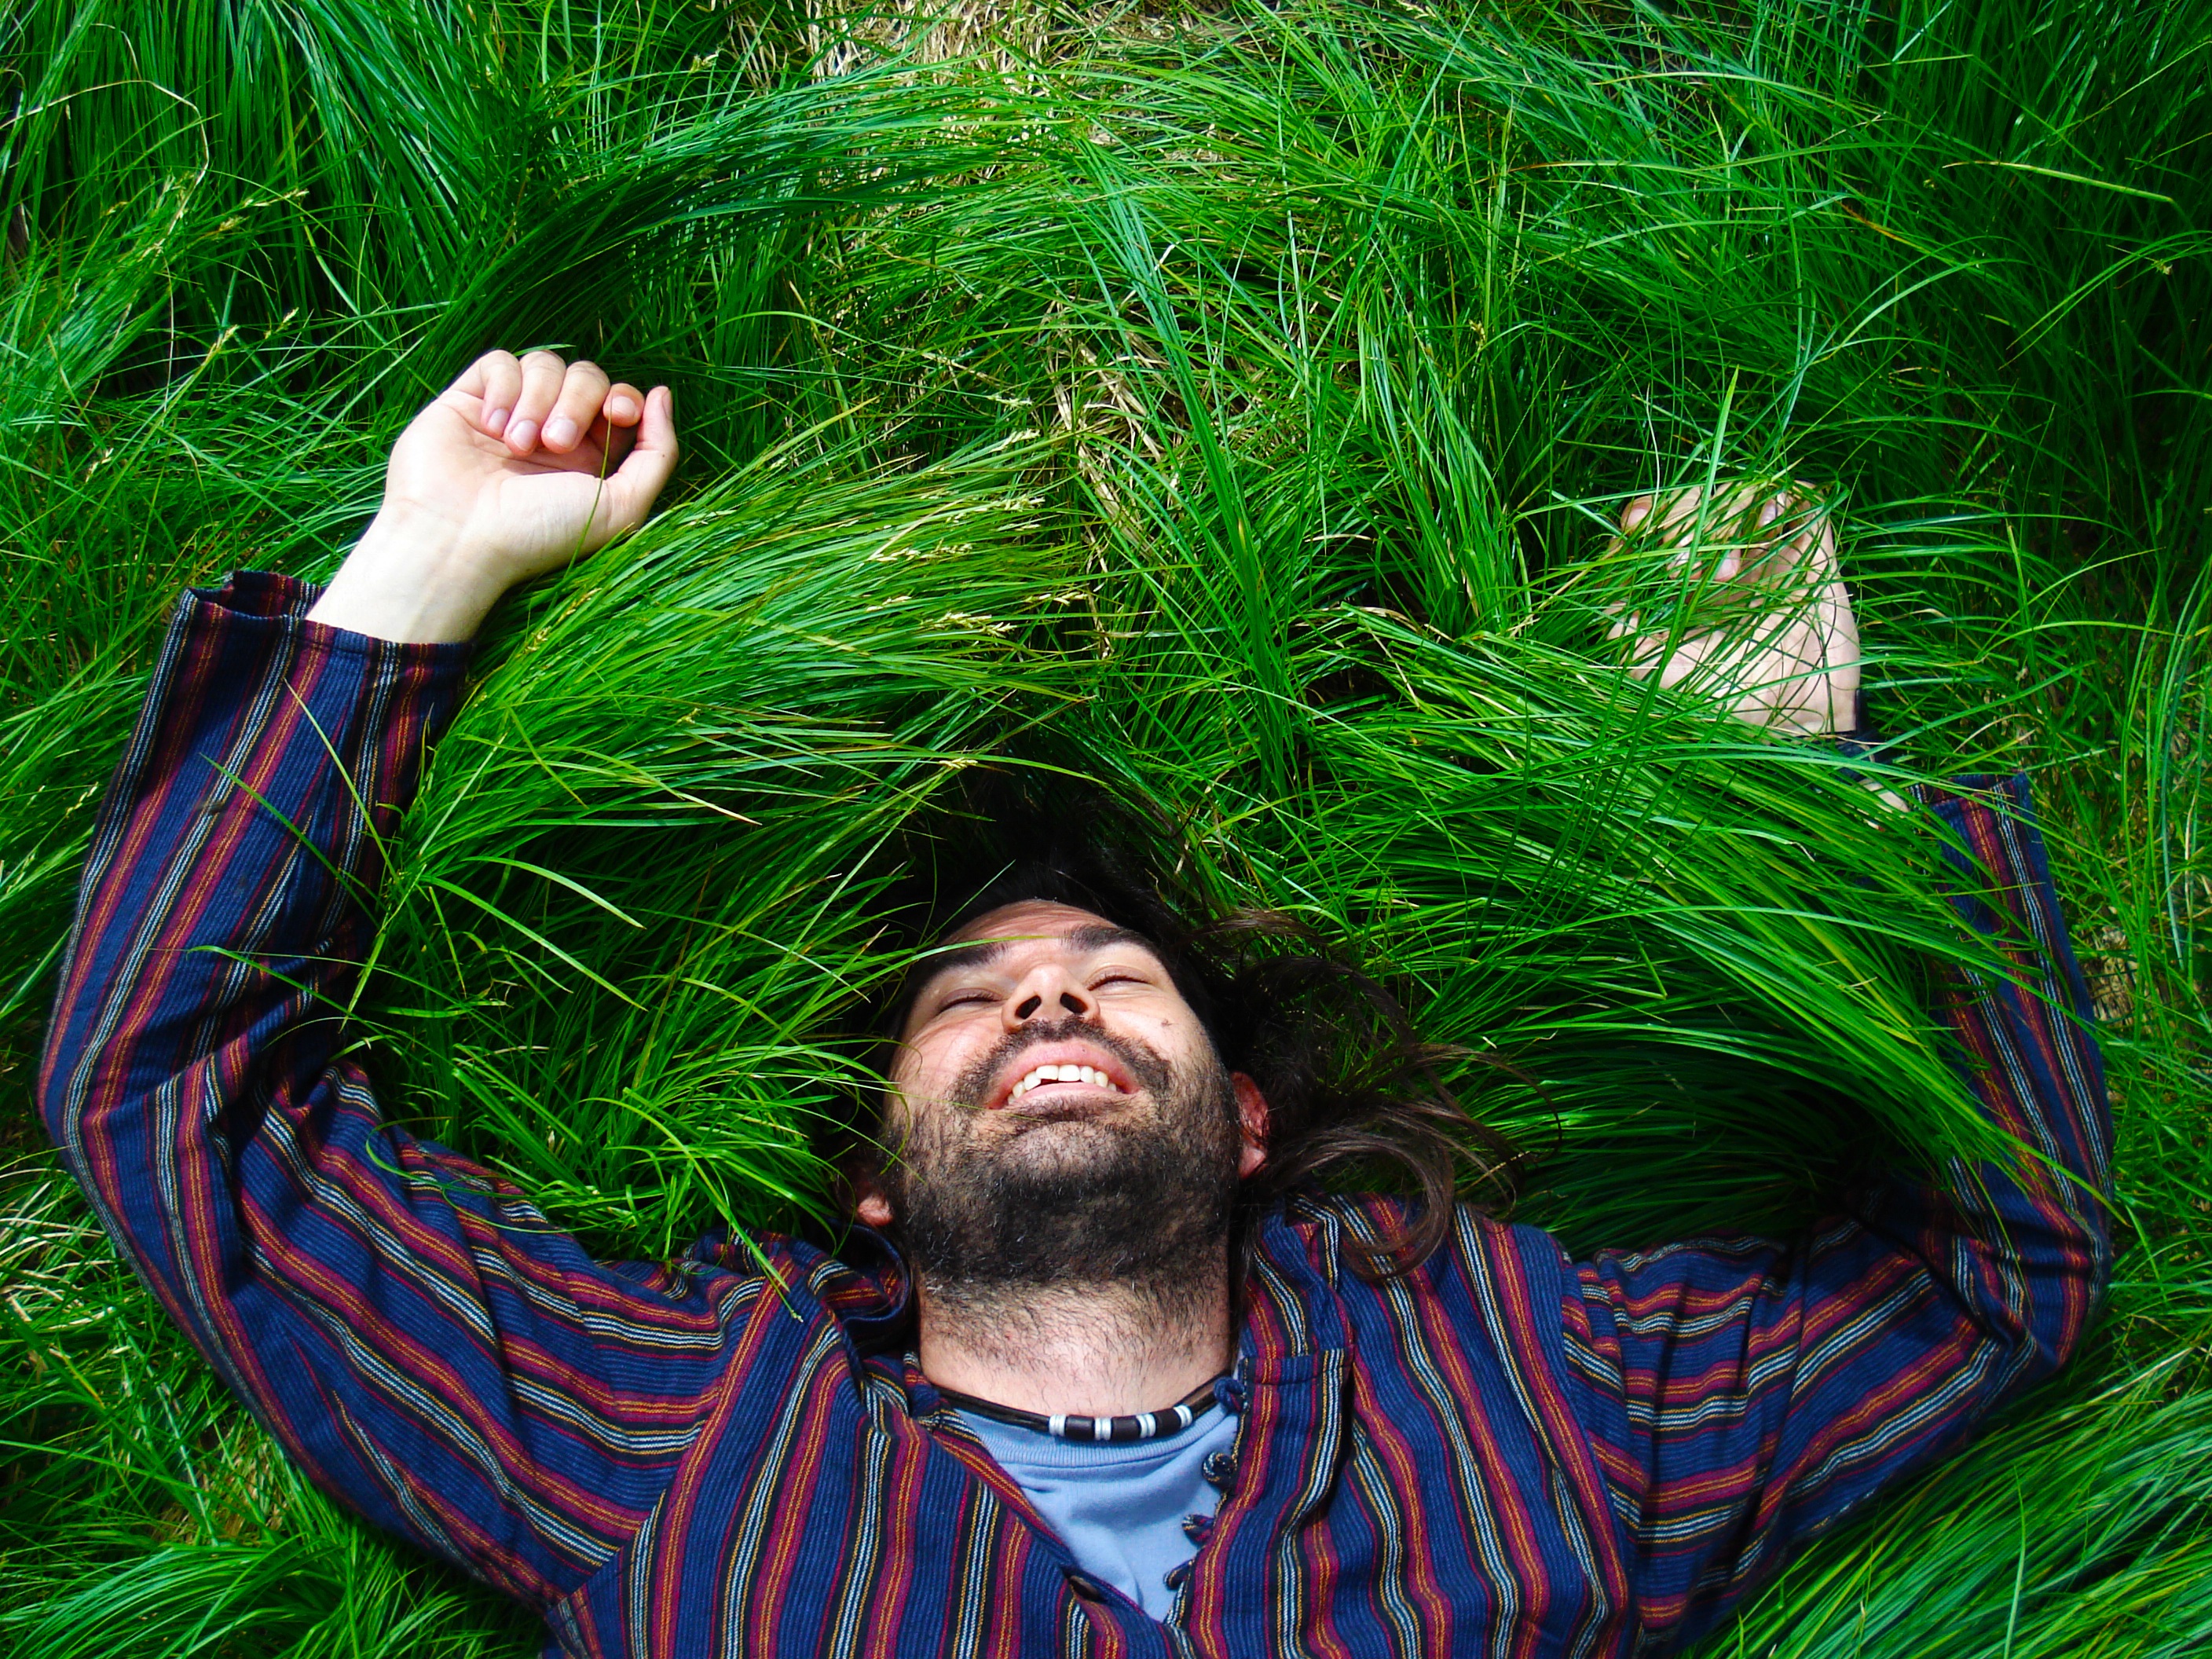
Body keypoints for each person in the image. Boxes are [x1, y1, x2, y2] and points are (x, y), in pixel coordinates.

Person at [40, 349, 2111, 1657]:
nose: (1046, 982)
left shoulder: (1537, 1389)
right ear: (869, 1185)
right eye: (969, 996)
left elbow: (1993, 1294)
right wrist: (425, 560)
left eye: (1120, 978)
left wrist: (1806, 814)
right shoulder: (673, 1419)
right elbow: (180, 1097)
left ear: (1244, 1129)